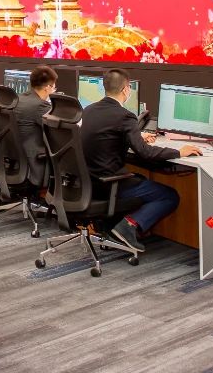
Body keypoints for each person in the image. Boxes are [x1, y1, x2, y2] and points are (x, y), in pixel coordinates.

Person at [79, 69, 202, 253]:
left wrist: (136, 135)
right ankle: (127, 227)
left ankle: (113, 226)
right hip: (109, 184)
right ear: (126, 89)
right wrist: (179, 152)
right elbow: (146, 153)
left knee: (140, 179)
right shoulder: (125, 116)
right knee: (169, 195)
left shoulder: (89, 110)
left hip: (90, 182)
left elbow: (106, 135)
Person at [15, 65, 56, 188]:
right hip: (34, 164)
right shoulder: (40, 105)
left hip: (15, 162)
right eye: (54, 87)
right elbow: (59, 131)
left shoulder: (18, 99)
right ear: (48, 87)